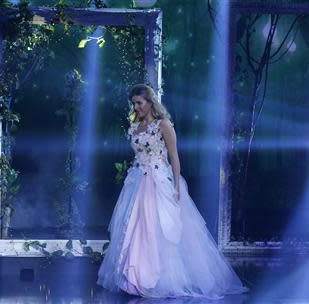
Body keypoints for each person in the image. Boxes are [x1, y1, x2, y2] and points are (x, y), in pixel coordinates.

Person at [97, 84, 248, 300]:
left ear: (150, 102)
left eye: (139, 103)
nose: (136, 107)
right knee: (135, 228)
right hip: (137, 182)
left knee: (156, 228)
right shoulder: (135, 126)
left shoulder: (164, 125)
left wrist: (177, 186)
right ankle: (136, 279)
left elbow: (174, 157)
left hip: (158, 182)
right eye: (134, 103)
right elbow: (138, 156)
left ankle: (155, 279)